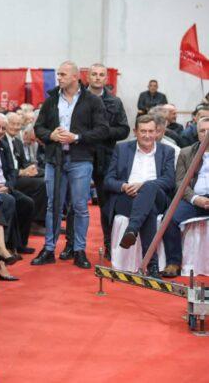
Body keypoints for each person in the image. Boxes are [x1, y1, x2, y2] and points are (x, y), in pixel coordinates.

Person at [32, 61, 108, 269]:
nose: (59, 78)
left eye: (63, 74)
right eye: (58, 74)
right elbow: (38, 127)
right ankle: (49, 249)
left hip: (80, 159)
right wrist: (51, 135)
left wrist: (76, 137)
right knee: (53, 205)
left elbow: (102, 130)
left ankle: (79, 250)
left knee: (81, 206)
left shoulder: (92, 101)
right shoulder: (51, 100)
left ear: (75, 76)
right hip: (54, 160)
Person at [62, 63, 130, 260]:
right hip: (79, 154)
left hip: (105, 157)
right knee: (75, 203)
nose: (98, 77)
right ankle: (71, 245)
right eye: (94, 74)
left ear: (106, 78)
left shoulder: (115, 102)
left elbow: (124, 130)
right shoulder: (76, 98)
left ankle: (109, 245)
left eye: (101, 75)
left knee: (107, 204)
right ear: (87, 77)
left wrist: (102, 132)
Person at [102, 115, 175, 276]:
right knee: (149, 211)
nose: (147, 135)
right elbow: (108, 180)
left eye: (150, 131)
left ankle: (132, 229)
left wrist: (143, 185)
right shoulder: (122, 149)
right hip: (127, 197)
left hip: (157, 196)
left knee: (149, 187)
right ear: (135, 132)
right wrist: (123, 186)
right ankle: (152, 265)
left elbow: (169, 180)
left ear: (156, 132)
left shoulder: (166, 151)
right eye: (143, 131)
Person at [161, 117, 209, 278]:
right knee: (169, 218)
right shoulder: (186, 153)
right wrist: (195, 198)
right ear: (197, 134)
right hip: (193, 198)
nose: (206, 134)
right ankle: (173, 263)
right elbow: (180, 182)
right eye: (202, 131)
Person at [0, 113, 35, 256]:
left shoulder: (4, 146)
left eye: (3, 128)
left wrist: (8, 186)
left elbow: (12, 171)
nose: (0, 131)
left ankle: (20, 244)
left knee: (27, 203)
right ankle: (2, 247)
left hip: (5, 186)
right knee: (9, 201)